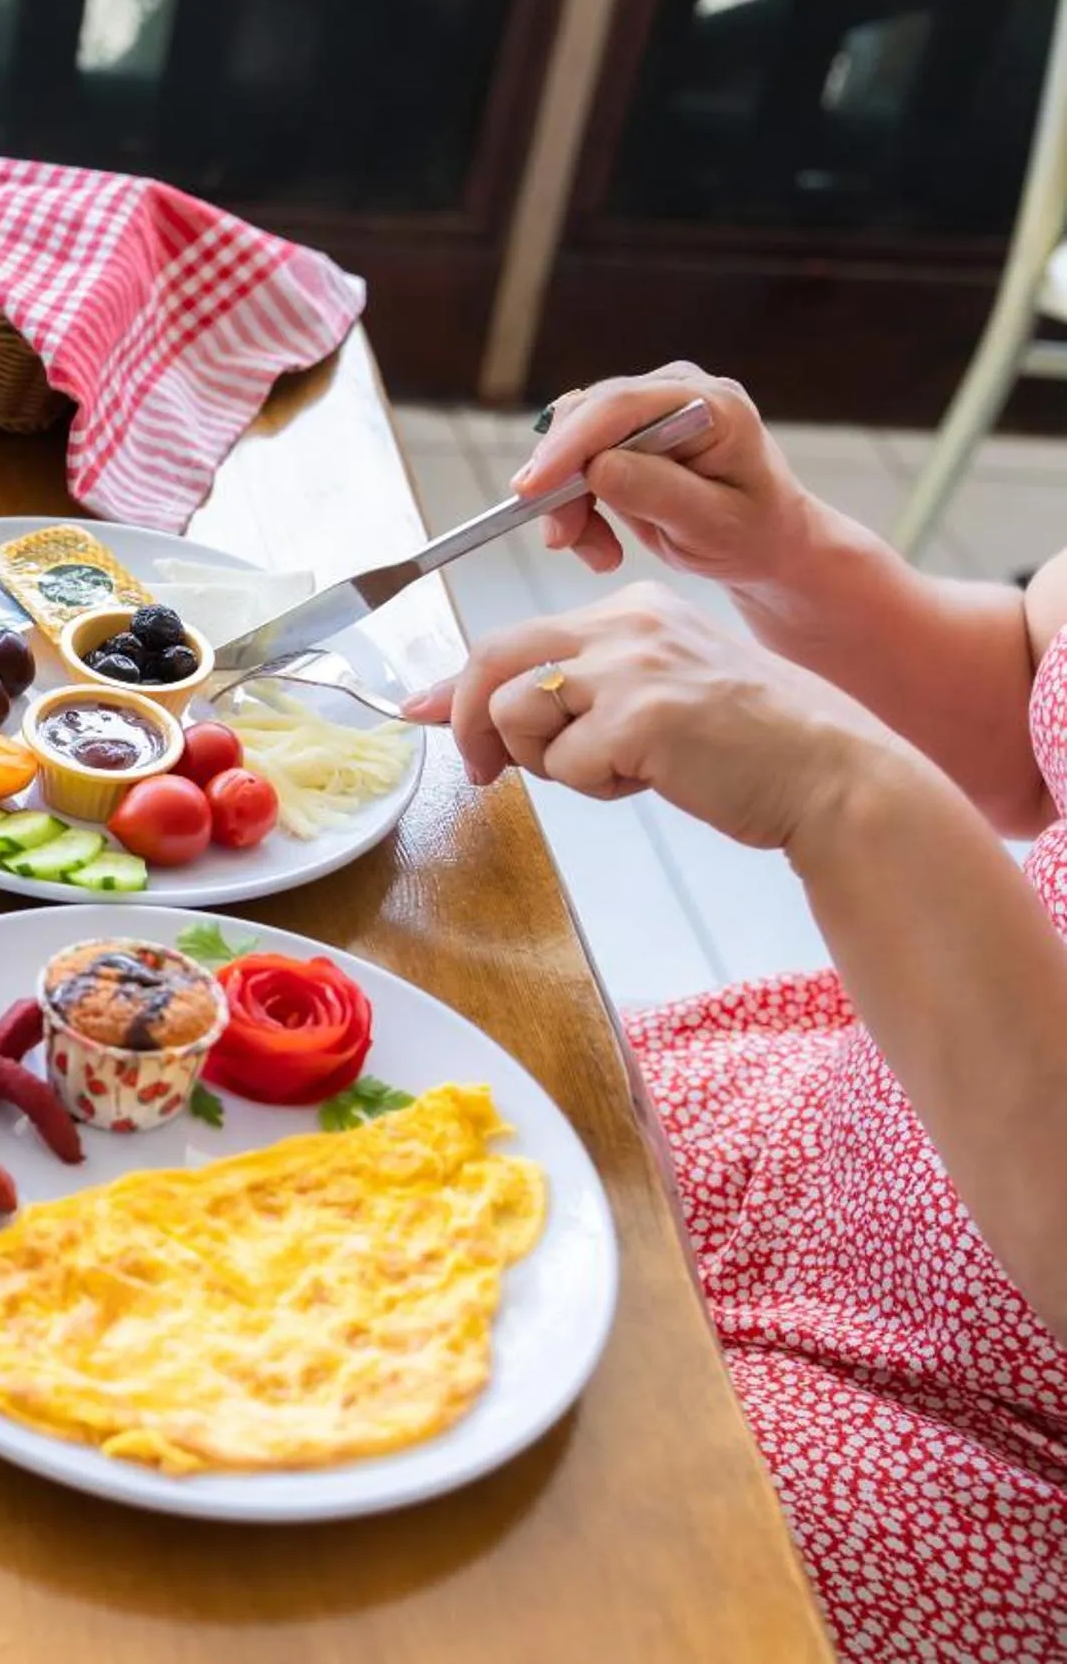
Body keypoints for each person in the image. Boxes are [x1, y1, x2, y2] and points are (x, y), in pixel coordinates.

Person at [407, 363, 1067, 1660]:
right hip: (819, 1127)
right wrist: (784, 549)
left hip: (981, 1456)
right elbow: (1025, 708)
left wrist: (843, 793)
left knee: (431, 1565)